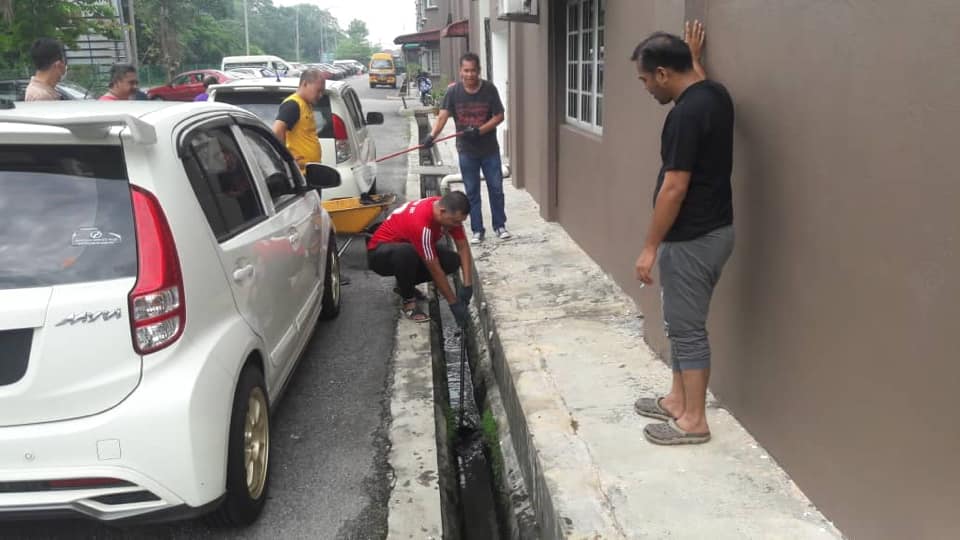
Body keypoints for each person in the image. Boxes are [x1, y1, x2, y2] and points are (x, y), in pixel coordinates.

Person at [631, 21, 735, 446]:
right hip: (712, 231)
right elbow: (700, 84)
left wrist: (650, 247)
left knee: (688, 329)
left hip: (692, 238)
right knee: (678, 322)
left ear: (662, 74)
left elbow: (675, 187)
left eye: (645, 80)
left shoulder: (684, 116)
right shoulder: (714, 95)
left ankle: (694, 420)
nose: (645, 89)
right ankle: (677, 399)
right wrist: (694, 59)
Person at [422, 53, 509, 244]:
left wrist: (479, 131)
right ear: (461, 71)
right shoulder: (453, 92)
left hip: (489, 150)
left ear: (479, 71)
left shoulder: (489, 89)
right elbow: (443, 116)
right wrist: (431, 136)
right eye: (466, 70)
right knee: (472, 191)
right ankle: (478, 230)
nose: (470, 74)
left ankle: (500, 226)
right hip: (466, 151)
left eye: (473, 70)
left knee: (496, 189)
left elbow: (499, 116)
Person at [367, 192, 474, 326]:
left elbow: (463, 247)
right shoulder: (422, 224)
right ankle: (408, 301)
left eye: (460, 222)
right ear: (442, 212)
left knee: (451, 260)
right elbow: (434, 269)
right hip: (380, 254)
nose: (457, 225)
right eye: (455, 221)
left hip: (408, 250)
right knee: (406, 252)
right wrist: (453, 303)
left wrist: (468, 285)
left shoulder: (447, 210)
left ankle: (404, 285)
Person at [272, 69, 325, 170]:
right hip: (300, 174)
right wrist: (286, 158)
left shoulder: (306, 104)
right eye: (318, 90)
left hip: (310, 171)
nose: (320, 95)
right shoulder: (293, 104)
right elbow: (277, 130)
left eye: (322, 91)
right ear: (305, 84)